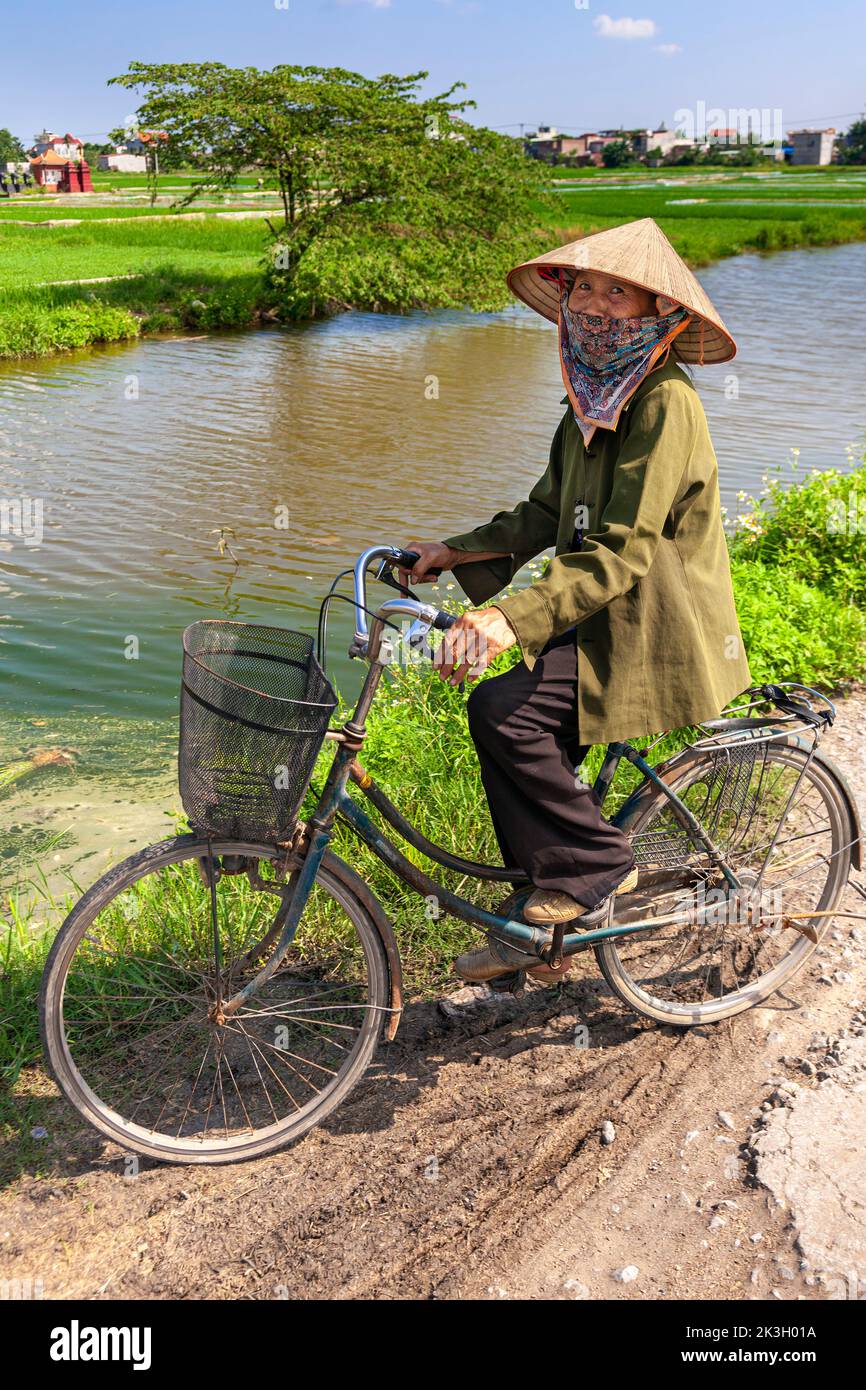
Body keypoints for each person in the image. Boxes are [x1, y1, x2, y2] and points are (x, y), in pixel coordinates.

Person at [399, 217, 752, 984]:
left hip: (652, 623)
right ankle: (545, 919)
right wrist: (456, 552)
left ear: (659, 312)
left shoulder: (663, 404)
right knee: (504, 715)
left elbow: (622, 551)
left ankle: (596, 865)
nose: (592, 305)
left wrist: (505, 617)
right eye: (583, 288)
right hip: (596, 608)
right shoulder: (592, 396)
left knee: (507, 712)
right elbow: (544, 514)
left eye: (615, 293)